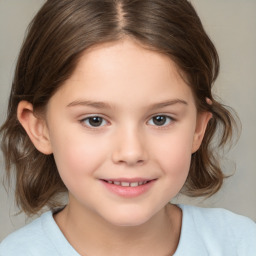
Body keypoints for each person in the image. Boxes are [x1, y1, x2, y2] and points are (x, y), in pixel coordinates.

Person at [0, 0, 255, 255]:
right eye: (95, 120)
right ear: (39, 128)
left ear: (198, 128)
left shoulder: (242, 244)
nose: (131, 153)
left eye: (160, 119)